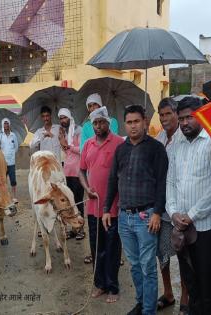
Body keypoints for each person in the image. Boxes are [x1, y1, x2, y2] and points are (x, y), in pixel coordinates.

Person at [166, 96, 211, 315]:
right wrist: (173, 212)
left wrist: (191, 215)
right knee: (190, 282)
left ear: (201, 115)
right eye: (181, 118)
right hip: (181, 227)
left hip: (206, 228)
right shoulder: (176, 144)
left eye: (189, 117)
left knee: (206, 283)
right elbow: (170, 181)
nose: (184, 123)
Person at [103, 105, 168, 315]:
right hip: (125, 218)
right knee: (134, 265)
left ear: (145, 121)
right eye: (129, 122)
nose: (133, 126)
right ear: (125, 124)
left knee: (148, 266)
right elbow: (113, 180)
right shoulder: (121, 149)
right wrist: (106, 209)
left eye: (136, 121)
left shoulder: (156, 148)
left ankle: (149, 311)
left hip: (147, 217)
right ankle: (141, 303)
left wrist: (157, 212)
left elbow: (162, 182)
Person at [79, 106, 124, 303]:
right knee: (96, 247)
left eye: (101, 122)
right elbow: (81, 171)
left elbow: (124, 172)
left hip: (113, 207)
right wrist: (86, 187)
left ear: (108, 122)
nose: (98, 126)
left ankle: (113, 287)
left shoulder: (119, 143)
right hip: (93, 207)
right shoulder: (87, 144)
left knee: (113, 248)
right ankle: (100, 284)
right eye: (95, 123)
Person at [155, 97, 189, 313]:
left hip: (181, 205)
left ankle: (186, 295)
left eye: (168, 114)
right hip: (163, 204)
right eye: (162, 115)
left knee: (184, 253)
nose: (165, 118)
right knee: (163, 253)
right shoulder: (159, 138)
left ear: (176, 114)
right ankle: (168, 293)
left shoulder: (184, 138)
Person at [58, 108, 85, 240]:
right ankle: (73, 229)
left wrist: (68, 146)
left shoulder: (79, 130)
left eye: (65, 117)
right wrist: (61, 140)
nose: (63, 120)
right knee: (70, 202)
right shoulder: (63, 132)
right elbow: (65, 152)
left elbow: (82, 149)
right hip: (67, 171)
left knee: (79, 201)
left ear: (70, 117)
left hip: (78, 172)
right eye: (61, 118)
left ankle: (81, 229)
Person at [0, 118, 19, 202]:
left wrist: (11, 154)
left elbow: (16, 147)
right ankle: (4, 196)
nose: (6, 125)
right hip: (3, 163)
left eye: (7, 123)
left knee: (13, 180)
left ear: (9, 124)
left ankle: (14, 197)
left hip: (11, 162)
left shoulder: (13, 135)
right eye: (4, 123)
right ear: (2, 125)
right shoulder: (0, 136)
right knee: (3, 180)